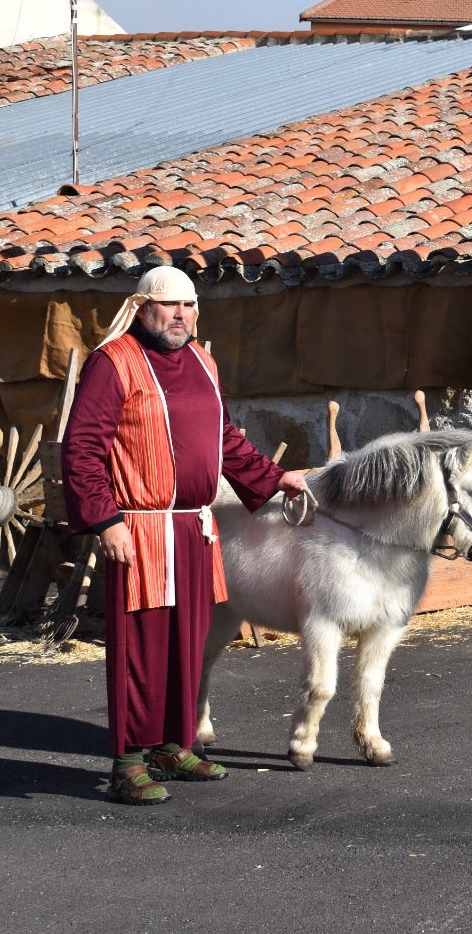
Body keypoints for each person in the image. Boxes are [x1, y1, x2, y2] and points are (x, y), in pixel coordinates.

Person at [62, 267, 307, 805]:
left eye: (190, 306)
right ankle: (128, 761)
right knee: (141, 646)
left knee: (188, 640)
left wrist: (273, 477)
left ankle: (172, 744)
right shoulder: (113, 363)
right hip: (140, 529)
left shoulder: (203, 360)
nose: (181, 315)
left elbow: (224, 439)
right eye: (170, 305)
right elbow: (81, 448)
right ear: (142, 307)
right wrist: (105, 520)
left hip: (195, 525)